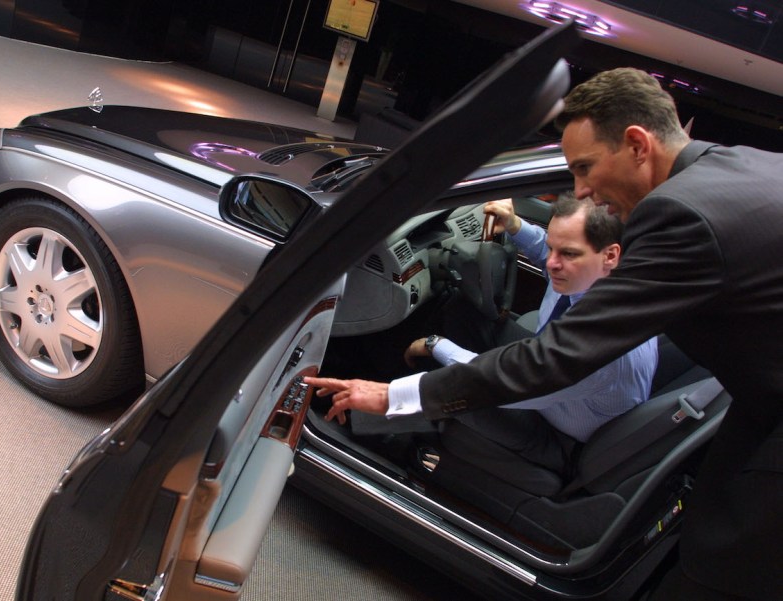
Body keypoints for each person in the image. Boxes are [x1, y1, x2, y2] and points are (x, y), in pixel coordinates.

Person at [306, 67, 783, 600]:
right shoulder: (745, 166)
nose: (581, 190)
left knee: (714, 578)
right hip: (759, 400)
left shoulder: (679, 213)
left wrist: (395, 393)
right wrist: (517, 231)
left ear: (636, 144)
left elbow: (551, 359)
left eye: (584, 168)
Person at [400, 195, 656, 477]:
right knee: (462, 311)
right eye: (552, 248)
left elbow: (504, 384)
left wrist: (435, 345)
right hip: (554, 384)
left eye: (568, 254)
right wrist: (514, 226)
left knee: (447, 388)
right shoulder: (602, 278)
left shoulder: (597, 344)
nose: (552, 263)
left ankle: (388, 439)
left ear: (610, 255)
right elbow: (550, 256)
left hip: (557, 435)